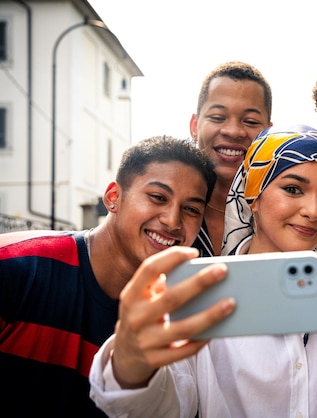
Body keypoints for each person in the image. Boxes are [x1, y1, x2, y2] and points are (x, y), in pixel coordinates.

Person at [89, 125, 317, 417]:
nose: (312, 210)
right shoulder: (203, 288)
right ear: (254, 196)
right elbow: (167, 405)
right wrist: (131, 366)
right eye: (293, 189)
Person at [0, 136, 216, 417]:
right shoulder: (18, 265)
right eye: (158, 197)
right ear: (114, 197)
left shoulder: (173, 316)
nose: (172, 221)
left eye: (191, 209)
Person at [190, 61, 273, 256]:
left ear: (268, 132)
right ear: (195, 126)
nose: (234, 132)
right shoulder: (167, 208)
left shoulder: (281, 212)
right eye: (218, 117)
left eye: (250, 121)